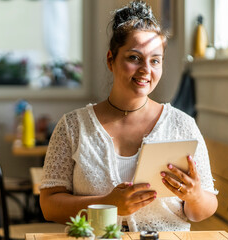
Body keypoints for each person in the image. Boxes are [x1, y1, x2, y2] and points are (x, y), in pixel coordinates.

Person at [39, 1, 218, 232]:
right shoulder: (73, 127)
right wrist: (107, 204)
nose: (146, 69)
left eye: (155, 60)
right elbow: (49, 205)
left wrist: (194, 197)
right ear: (110, 60)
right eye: (134, 58)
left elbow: (204, 208)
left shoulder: (182, 125)